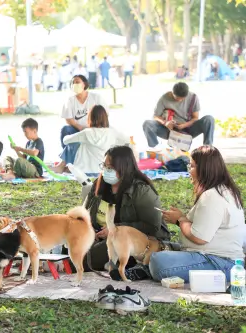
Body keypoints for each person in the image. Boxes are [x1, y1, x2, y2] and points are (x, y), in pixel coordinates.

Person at [149, 146, 244, 282]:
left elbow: (199, 237)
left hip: (220, 262)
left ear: (205, 169)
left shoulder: (212, 196)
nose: (189, 171)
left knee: (157, 261)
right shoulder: (222, 190)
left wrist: (179, 219)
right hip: (214, 258)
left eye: (192, 166)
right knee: (160, 246)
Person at [81, 146, 171, 276]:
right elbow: (85, 214)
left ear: (124, 168)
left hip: (136, 241)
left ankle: (124, 262)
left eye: (111, 167)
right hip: (103, 236)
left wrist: (115, 229)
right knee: (72, 245)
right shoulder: (99, 185)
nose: (106, 171)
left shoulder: (141, 190)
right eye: (104, 166)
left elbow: (152, 227)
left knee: (89, 257)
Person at [142, 82, 215, 151]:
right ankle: (155, 150)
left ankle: (207, 149)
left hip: (188, 129)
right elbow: (155, 116)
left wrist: (184, 125)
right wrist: (165, 123)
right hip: (169, 130)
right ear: (172, 93)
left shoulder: (193, 98)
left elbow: (195, 118)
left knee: (209, 119)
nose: (180, 100)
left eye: (183, 98)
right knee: (147, 124)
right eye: (177, 98)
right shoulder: (164, 98)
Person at [58, 105, 130, 174]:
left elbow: (65, 141)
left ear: (90, 118)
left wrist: (76, 138)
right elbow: (127, 140)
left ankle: (61, 166)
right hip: (103, 171)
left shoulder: (86, 133)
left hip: (84, 171)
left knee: (74, 144)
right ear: (105, 118)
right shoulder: (112, 132)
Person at [58, 75, 108, 169]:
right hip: (77, 129)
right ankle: (66, 160)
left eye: (77, 82)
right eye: (73, 83)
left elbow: (105, 114)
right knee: (65, 130)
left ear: (84, 84)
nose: (75, 84)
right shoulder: (70, 100)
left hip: (95, 129)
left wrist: (93, 127)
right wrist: (80, 127)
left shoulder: (96, 97)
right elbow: (68, 118)